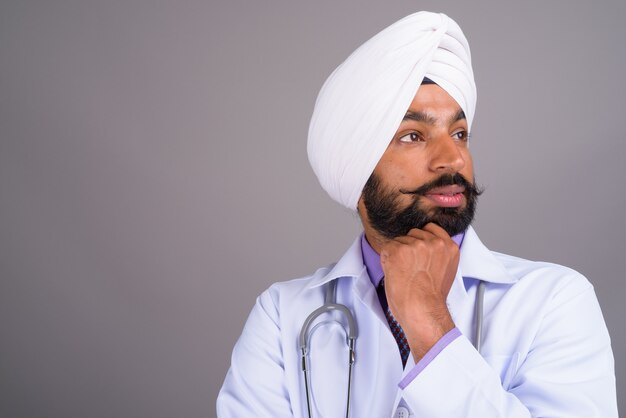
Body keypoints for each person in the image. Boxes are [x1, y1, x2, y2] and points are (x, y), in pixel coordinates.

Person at [217, 11, 617, 417]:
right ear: (356, 169)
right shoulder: (282, 315)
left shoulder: (554, 301)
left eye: (459, 133)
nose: (453, 158)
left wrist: (431, 328)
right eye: (413, 136)